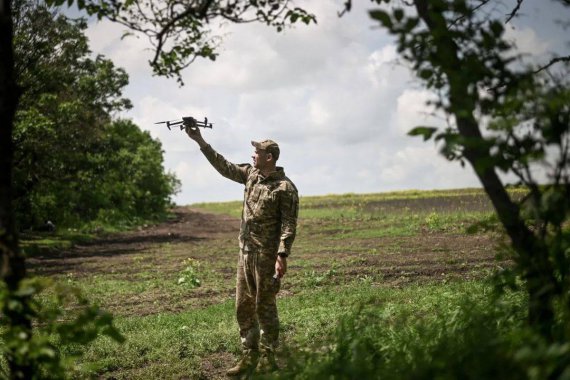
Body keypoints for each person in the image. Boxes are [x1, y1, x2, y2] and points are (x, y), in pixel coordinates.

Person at [185, 119, 299, 376]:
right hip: (245, 253)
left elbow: (289, 225)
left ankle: (268, 359)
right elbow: (224, 166)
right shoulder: (250, 175)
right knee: (243, 306)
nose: (252, 155)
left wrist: (282, 255)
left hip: (267, 256)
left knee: (265, 305)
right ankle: (249, 356)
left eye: (256, 152)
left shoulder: (285, 188)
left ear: (268, 157)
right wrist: (200, 141)